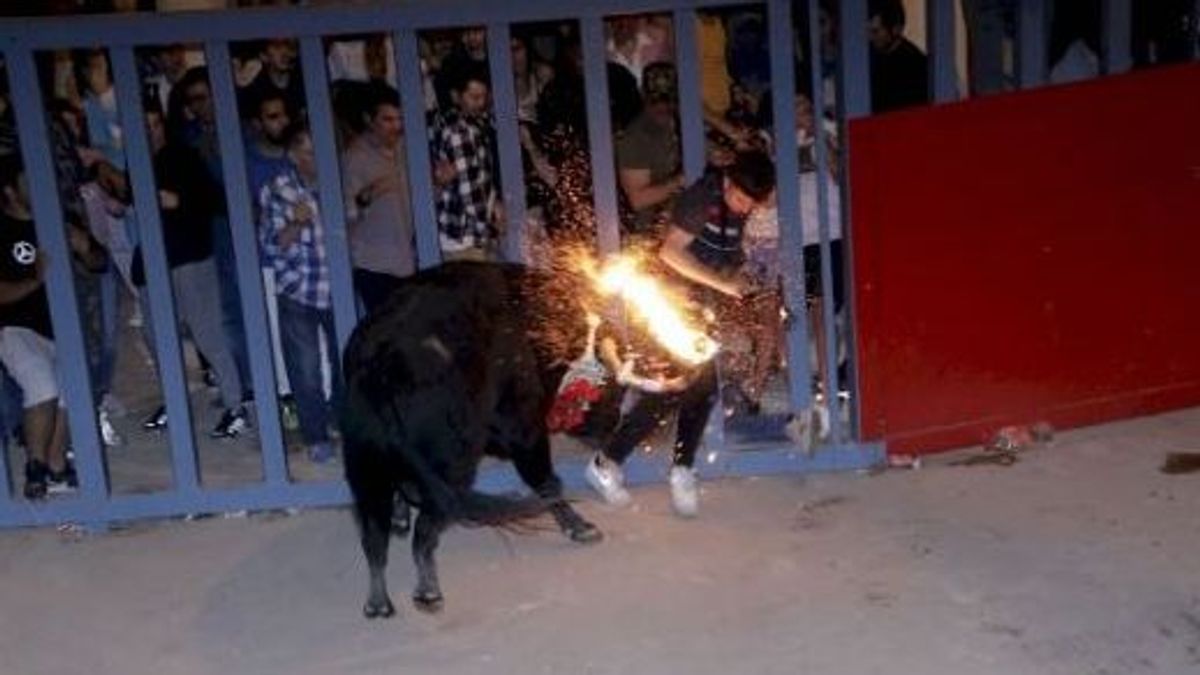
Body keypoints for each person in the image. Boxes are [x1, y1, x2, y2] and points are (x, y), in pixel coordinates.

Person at [585, 150, 777, 517]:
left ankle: (643, 465)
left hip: (696, 306)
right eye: (739, 199)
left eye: (750, 205)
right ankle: (655, 466)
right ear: (728, 181)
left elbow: (724, 255)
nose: (742, 209)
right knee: (681, 387)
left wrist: (739, 279)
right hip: (665, 302)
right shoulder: (701, 198)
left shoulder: (738, 206)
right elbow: (671, 253)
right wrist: (722, 285)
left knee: (696, 389)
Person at [0, 163, 104, 498]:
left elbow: (99, 263)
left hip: (62, 327)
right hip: (13, 327)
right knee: (42, 384)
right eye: (26, 181)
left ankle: (56, 466)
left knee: (73, 391)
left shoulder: (55, 219)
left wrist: (86, 246)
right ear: (9, 191)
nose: (36, 186)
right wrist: (35, 280)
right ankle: (36, 467)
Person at [259, 129, 341, 464]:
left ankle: (341, 419)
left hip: (338, 287)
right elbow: (271, 244)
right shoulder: (278, 189)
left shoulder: (337, 182)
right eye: (307, 152)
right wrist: (295, 222)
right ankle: (316, 435)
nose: (315, 159)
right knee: (305, 368)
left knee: (346, 362)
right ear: (293, 155)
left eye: (318, 150)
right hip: (298, 288)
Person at [341, 83, 415, 312]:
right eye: (388, 120)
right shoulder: (353, 158)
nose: (396, 126)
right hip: (373, 267)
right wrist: (369, 195)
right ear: (368, 119)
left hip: (406, 262)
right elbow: (343, 213)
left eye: (399, 119)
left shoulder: (406, 150)